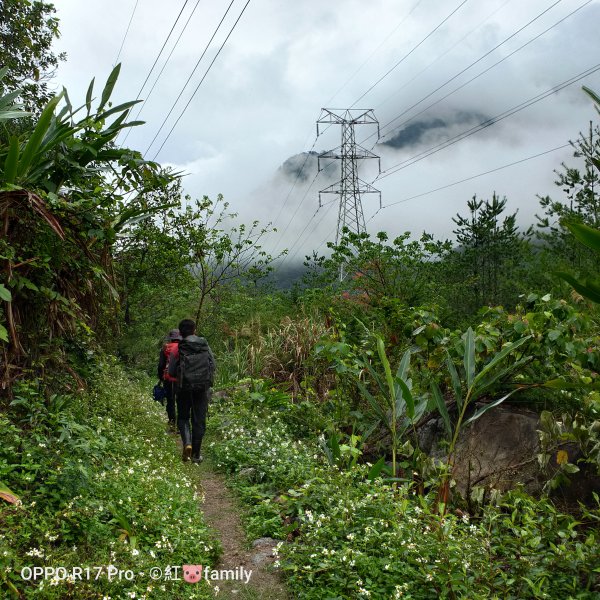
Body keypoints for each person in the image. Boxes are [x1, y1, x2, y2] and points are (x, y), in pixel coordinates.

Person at [168, 319, 215, 463]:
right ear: (194, 330)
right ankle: (196, 455)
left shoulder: (178, 348)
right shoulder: (205, 346)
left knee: (183, 417)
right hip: (202, 388)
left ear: (180, 333)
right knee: (199, 420)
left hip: (183, 388)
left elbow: (170, 371)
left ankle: (187, 443)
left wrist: (183, 376)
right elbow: (213, 365)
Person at [157, 329, 182, 429]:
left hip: (168, 378)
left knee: (170, 400)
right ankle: (181, 424)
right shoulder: (183, 347)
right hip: (181, 378)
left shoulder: (165, 348)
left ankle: (172, 422)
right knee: (180, 401)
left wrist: (161, 377)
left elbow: (161, 365)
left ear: (171, 338)